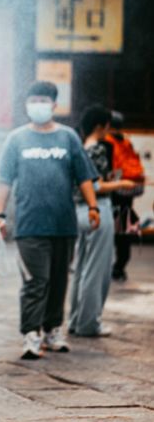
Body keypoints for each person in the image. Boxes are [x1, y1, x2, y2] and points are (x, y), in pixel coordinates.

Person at [0, 80, 100, 360]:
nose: (38, 105)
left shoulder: (68, 138)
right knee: (35, 281)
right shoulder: (16, 139)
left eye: (44, 100)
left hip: (63, 224)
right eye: (34, 100)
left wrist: (93, 207)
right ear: (28, 104)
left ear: (54, 105)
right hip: (30, 226)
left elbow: (84, 176)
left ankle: (53, 329)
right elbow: (3, 181)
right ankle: (31, 333)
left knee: (58, 281)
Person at [69, 105, 136, 337]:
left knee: (82, 268)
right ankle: (89, 323)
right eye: (108, 126)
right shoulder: (97, 149)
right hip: (98, 208)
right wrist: (121, 184)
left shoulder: (79, 147)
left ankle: (76, 319)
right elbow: (95, 185)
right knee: (97, 270)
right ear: (101, 126)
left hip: (79, 211)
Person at [105, 111, 145, 281]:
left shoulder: (106, 142)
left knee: (109, 234)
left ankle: (111, 268)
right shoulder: (126, 141)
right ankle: (120, 268)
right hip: (128, 194)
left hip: (113, 193)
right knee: (124, 233)